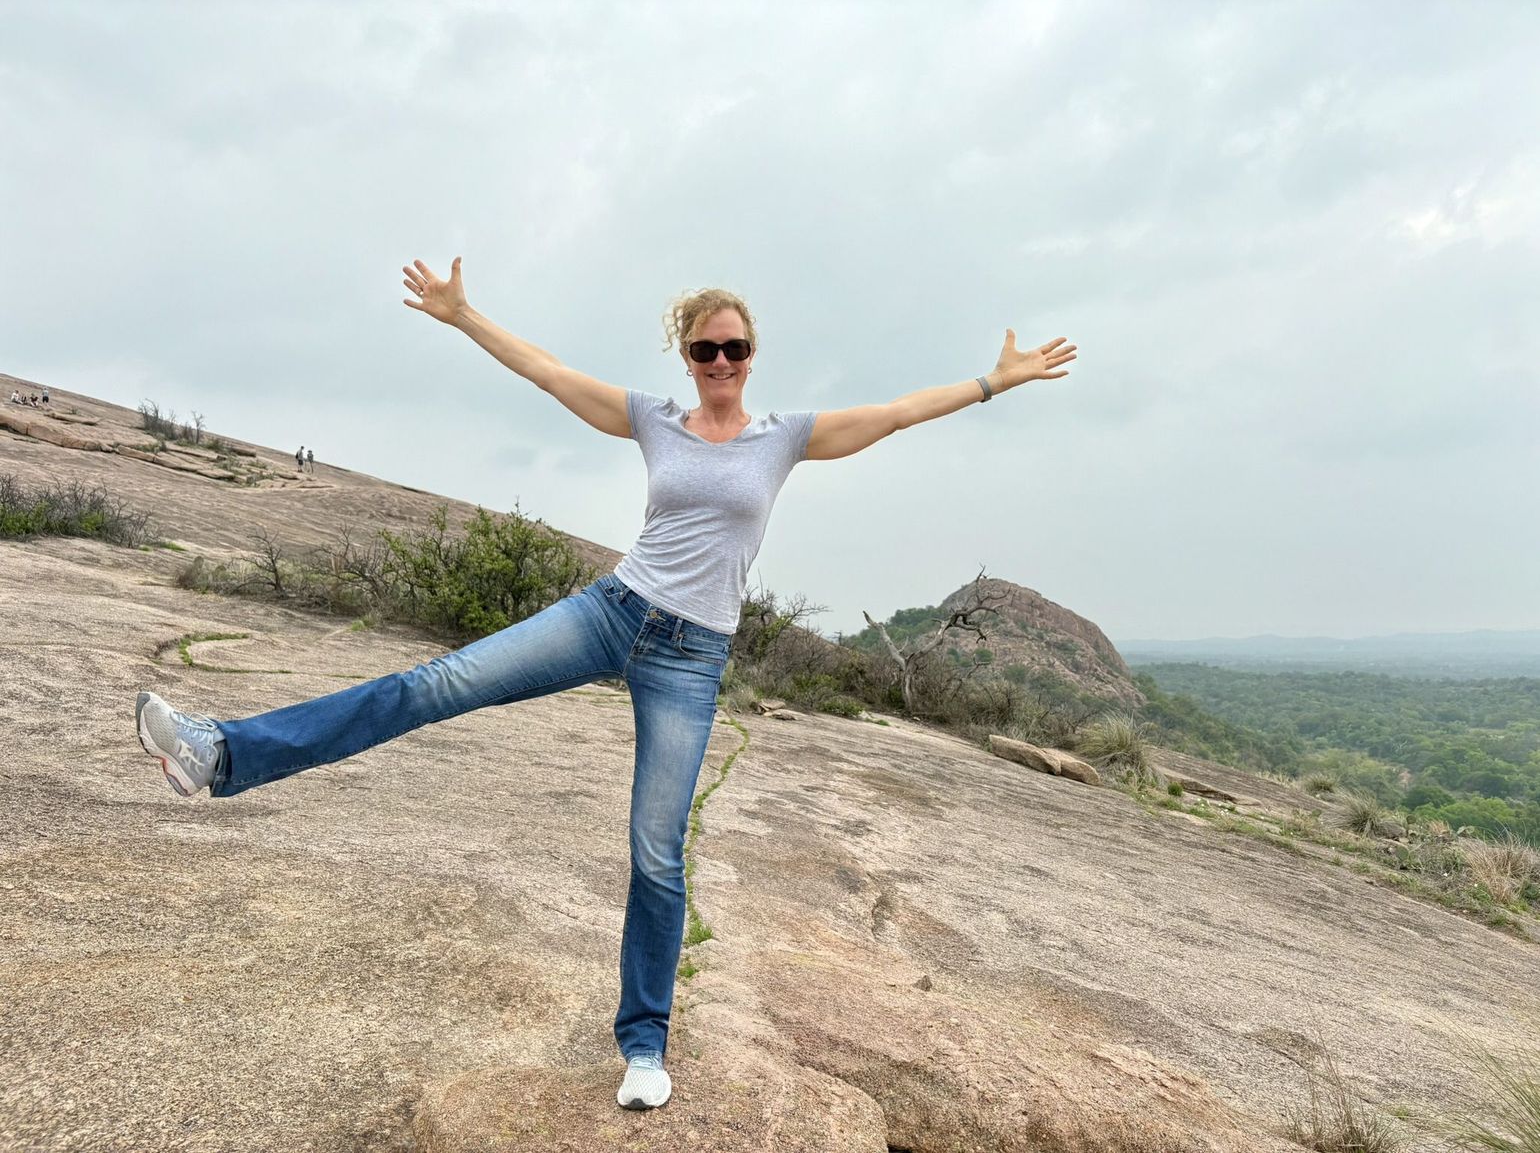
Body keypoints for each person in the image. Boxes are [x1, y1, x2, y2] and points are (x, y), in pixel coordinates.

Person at [134, 256, 1075, 1112]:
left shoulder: (784, 438)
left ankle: (644, 1045)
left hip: (691, 656)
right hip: (614, 610)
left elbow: (900, 411)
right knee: (435, 683)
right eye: (705, 347)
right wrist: (465, 316)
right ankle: (223, 755)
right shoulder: (652, 418)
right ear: (686, 352)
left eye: (734, 347)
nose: (720, 359)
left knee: (656, 851)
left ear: (753, 355)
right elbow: (548, 372)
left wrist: (997, 379)